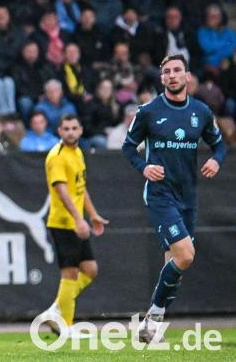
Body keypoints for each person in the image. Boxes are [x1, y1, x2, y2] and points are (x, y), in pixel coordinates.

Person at [122, 54, 226, 342]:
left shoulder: (202, 112)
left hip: (188, 196)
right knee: (185, 255)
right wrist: (145, 166)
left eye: (177, 70)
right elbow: (128, 147)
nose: (172, 75)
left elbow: (219, 146)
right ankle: (151, 319)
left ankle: (152, 329)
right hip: (160, 194)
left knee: (176, 263)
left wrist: (216, 161)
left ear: (187, 76)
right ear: (161, 78)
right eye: (166, 71)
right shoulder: (148, 111)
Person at [35, 114, 109, 336]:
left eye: (74, 128)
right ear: (59, 131)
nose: (70, 132)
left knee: (90, 269)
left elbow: (80, 187)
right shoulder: (57, 156)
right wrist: (78, 219)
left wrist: (93, 214)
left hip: (76, 222)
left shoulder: (77, 152)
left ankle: (55, 309)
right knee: (70, 272)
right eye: (65, 128)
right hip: (63, 223)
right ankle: (65, 324)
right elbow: (62, 190)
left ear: (81, 130)